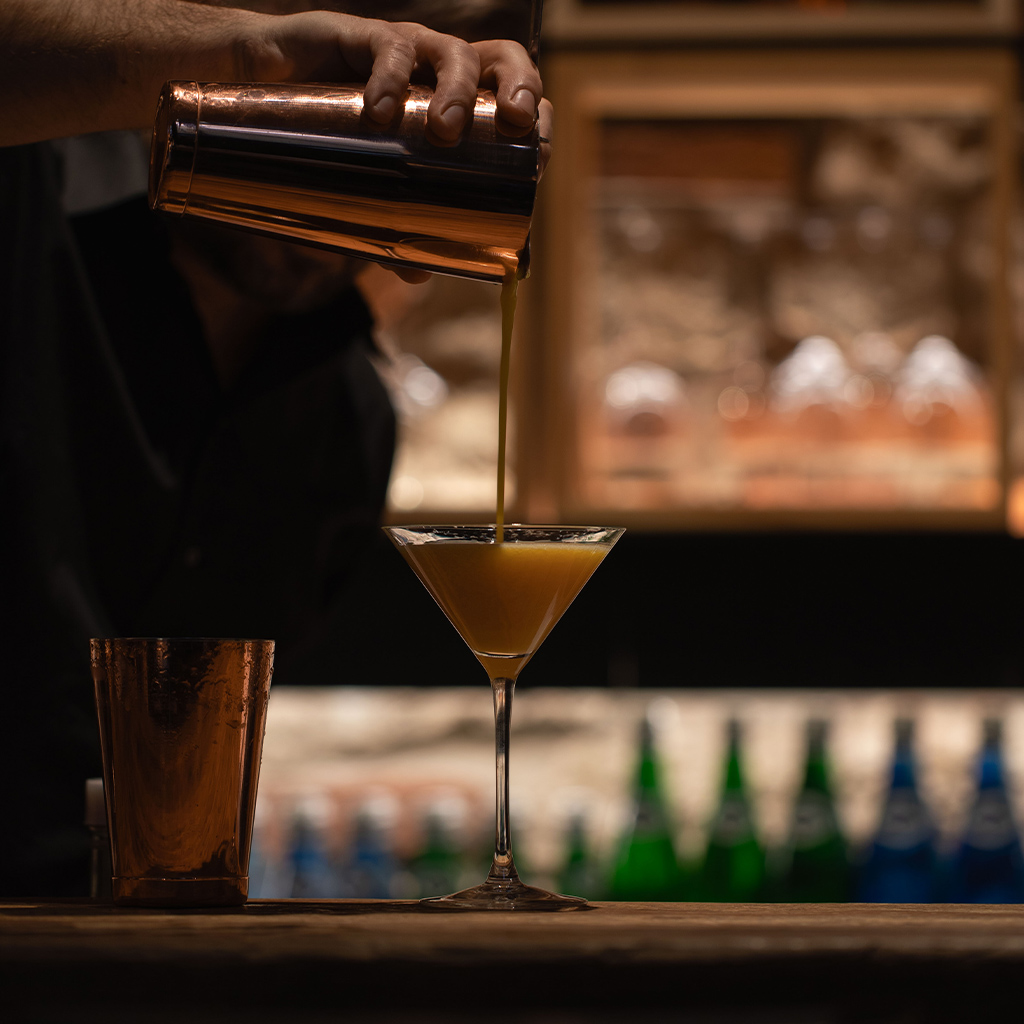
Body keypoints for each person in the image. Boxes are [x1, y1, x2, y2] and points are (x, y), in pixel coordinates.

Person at [0, 0, 548, 895]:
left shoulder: (349, 424)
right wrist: (250, 55)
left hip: (154, 934)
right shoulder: (32, 200)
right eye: (345, 101)